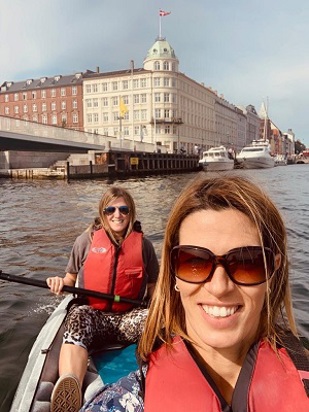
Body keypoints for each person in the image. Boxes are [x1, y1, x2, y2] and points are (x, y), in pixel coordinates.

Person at [81, 175, 309, 412]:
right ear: (173, 273)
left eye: (246, 263)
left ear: (274, 270)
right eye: (194, 262)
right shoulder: (122, 402)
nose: (219, 287)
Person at [46, 186, 159, 412]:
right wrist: (60, 283)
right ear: (103, 213)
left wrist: (158, 311)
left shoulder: (144, 246)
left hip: (128, 319)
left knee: (159, 320)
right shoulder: (85, 241)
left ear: (131, 213)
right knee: (77, 316)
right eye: (111, 210)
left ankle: (160, 378)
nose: (117, 215)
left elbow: (153, 288)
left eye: (123, 209)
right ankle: (72, 386)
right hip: (95, 318)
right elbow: (70, 278)